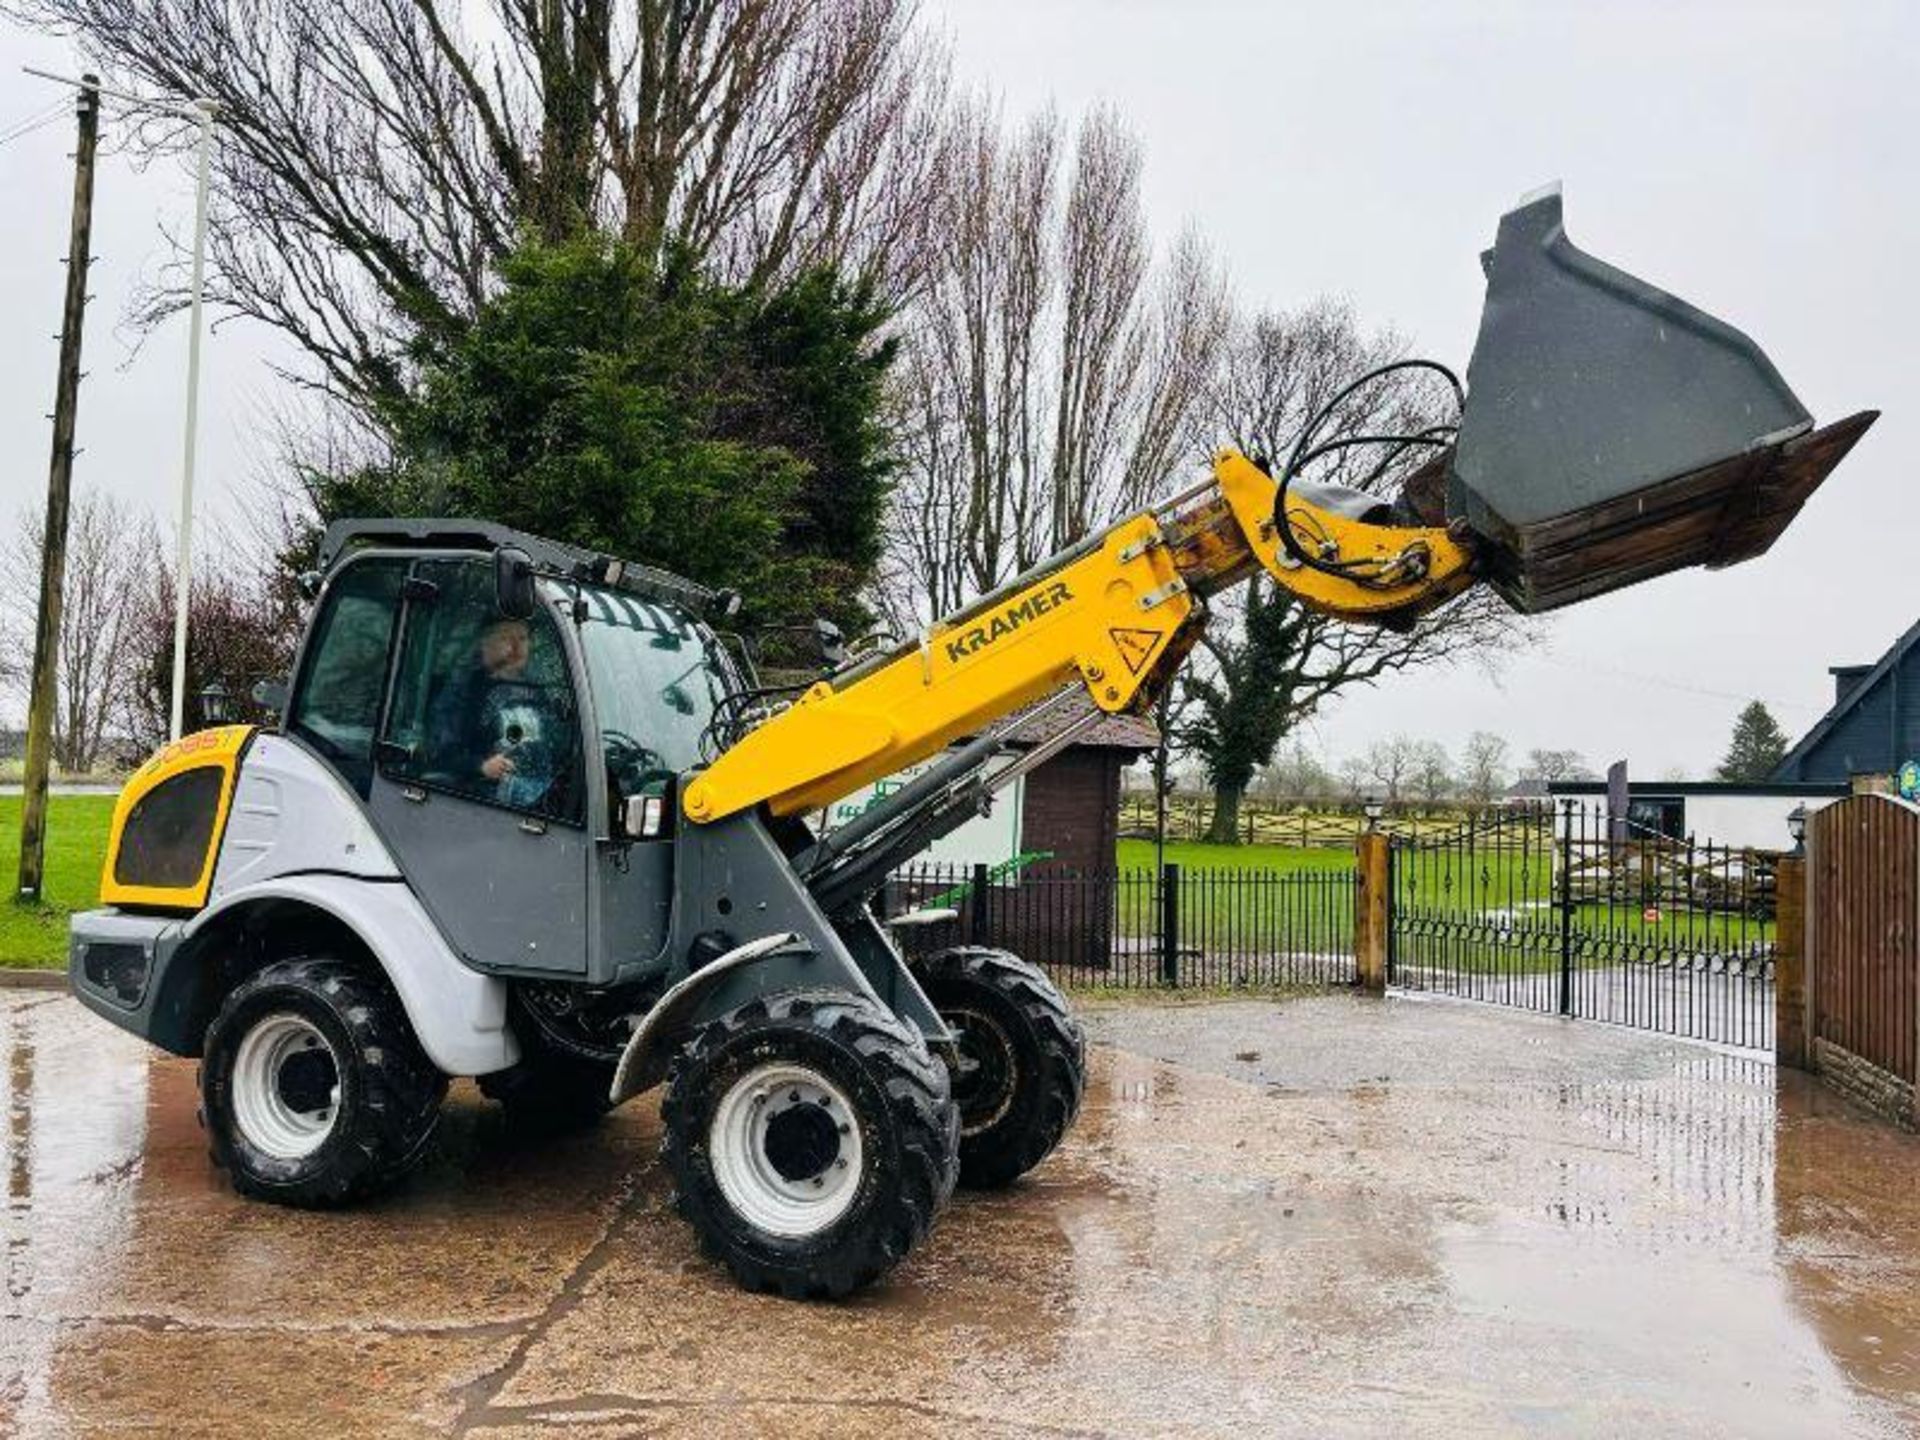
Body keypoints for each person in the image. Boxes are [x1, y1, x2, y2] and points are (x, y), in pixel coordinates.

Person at [428, 616, 568, 811]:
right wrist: (481, 767)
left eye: (523, 638)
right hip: (481, 804)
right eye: (506, 637)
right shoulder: (464, 688)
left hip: (541, 804)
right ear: (485, 642)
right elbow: (441, 753)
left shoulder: (538, 690)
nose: (516, 646)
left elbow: (556, 745)